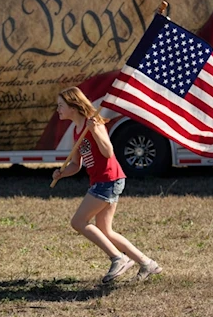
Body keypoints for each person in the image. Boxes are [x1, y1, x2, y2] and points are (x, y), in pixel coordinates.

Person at [52, 86, 162, 284]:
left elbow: (108, 152)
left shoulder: (93, 124)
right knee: (105, 230)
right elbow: (77, 165)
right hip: (101, 180)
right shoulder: (76, 131)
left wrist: (95, 131)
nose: (58, 109)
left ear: (73, 107)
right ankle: (147, 264)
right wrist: (62, 174)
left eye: (61, 105)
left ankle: (118, 258)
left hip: (108, 179)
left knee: (78, 222)